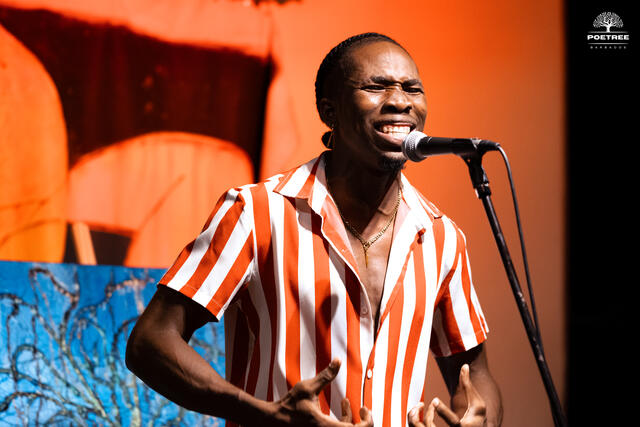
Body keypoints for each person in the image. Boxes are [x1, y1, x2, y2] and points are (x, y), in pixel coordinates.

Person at [126, 32, 503, 427]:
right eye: (376, 86)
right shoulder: (255, 211)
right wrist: (265, 414)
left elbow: (476, 377)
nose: (400, 100)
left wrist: (480, 419)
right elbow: (151, 342)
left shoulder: (443, 237)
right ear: (330, 110)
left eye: (413, 88)